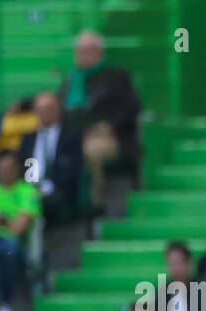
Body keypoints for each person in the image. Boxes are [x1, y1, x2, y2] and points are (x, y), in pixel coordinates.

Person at [59, 31, 141, 209]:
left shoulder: (116, 76)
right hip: (75, 134)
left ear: (99, 52)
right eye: (79, 51)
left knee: (90, 150)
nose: (82, 56)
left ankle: (95, 203)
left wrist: (109, 126)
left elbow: (132, 107)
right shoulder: (70, 81)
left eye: (87, 51)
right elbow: (59, 109)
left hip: (107, 136)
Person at [0, 150, 40, 311]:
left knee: (7, 249)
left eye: (10, 168)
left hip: (13, 244)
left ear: (16, 169)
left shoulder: (26, 191)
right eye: (2, 168)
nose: (6, 171)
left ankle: (4, 303)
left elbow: (18, 228)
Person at [19, 92, 84, 222]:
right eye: (40, 110)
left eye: (48, 109)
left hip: (58, 189)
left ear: (58, 110)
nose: (44, 113)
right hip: (29, 190)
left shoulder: (72, 137)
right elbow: (22, 165)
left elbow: (73, 168)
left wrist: (46, 189)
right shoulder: (28, 138)